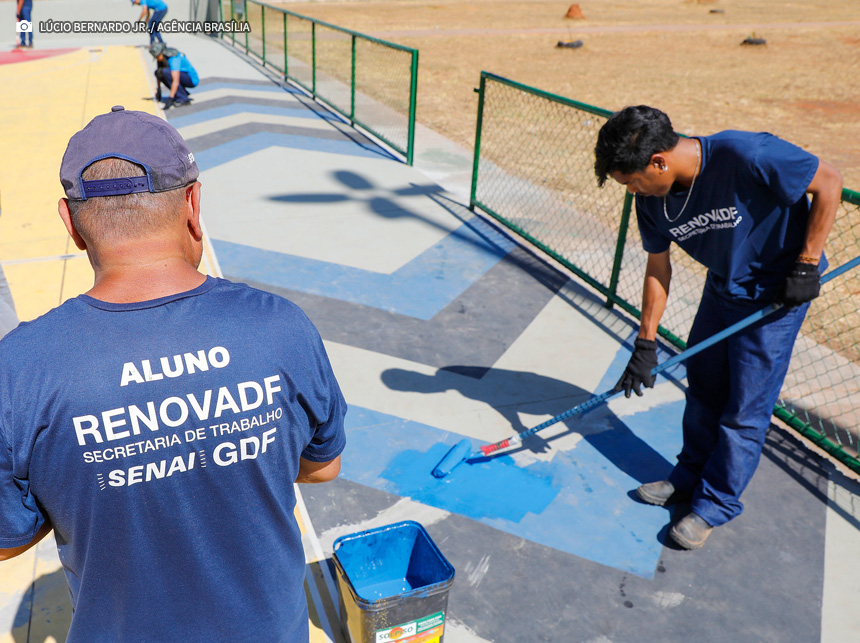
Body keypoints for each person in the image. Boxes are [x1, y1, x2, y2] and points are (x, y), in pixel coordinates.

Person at [0, 106, 347, 642]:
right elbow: (323, 467)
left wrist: (83, 484)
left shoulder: (20, 368)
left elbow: (7, 536)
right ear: (193, 203)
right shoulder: (280, 328)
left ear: (70, 224)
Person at [594, 105, 842, 549]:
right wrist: (644, 344)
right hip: (723, 287)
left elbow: (828, 181)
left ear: (658, 162)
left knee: (744, 407)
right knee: (705, 386)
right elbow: (657, 267)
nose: (632, 192)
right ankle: (687, 477)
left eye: (632, 181)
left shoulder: (744, 154)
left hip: (775, 296)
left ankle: (715, 504)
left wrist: (805, 266)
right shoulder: (652, 201)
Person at [150, 42, 198, 109]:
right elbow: (158, 74)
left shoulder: (173, 59)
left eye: (157, 56)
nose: (157, 59)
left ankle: (183, 98)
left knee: (165, 72)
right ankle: (181, 93)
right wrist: (159, 91)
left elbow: (175, 80)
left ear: (161, 53)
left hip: (191, 79)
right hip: (181, 76)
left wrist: (170, 98)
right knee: (159, 72)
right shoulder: (163, 57)